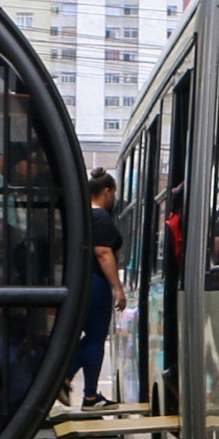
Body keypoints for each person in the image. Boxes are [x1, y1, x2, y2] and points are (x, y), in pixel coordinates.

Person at [69, 169, 127, 407]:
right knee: (95, 338)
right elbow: (103, 253)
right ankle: (87, 393)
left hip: (82, 283)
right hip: (96, 283)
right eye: (113, 193)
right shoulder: (101, 217)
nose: (113, 199)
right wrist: (118, 288)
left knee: (86, 337)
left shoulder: (83, 216)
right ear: (107, 191)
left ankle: (80, 388)